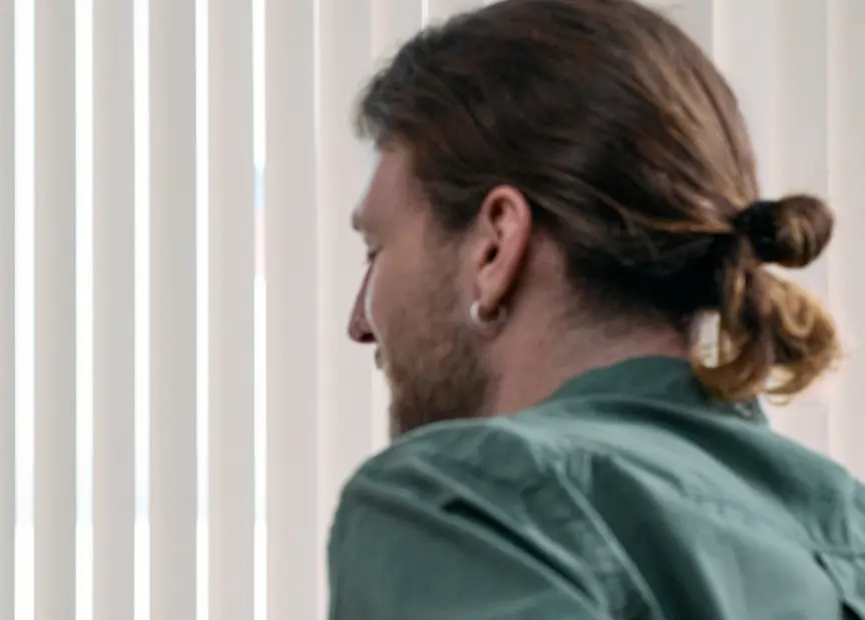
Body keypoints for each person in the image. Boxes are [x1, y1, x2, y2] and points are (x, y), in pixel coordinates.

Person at [330, 0, 860, 617]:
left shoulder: (462, 501)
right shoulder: (844, 526)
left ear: (496, 245)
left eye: (376, 249)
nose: (359, 323)